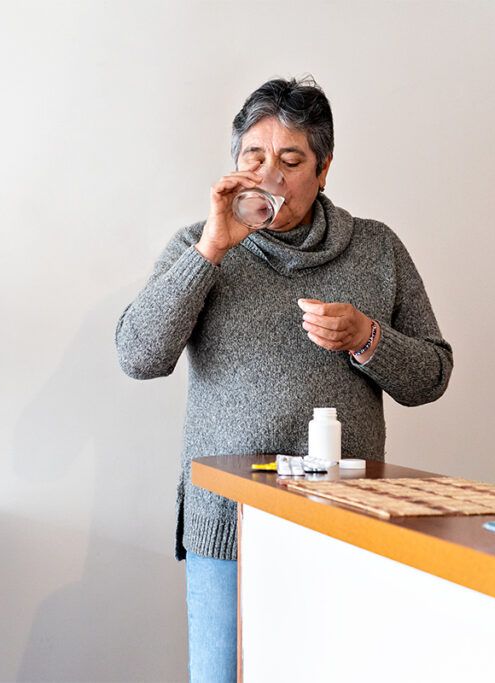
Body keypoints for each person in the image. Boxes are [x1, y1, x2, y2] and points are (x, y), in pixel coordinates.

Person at [115, 76, 454, 682]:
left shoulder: (377, 249)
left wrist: (368, 339)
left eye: (290, 159)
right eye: (254, 156)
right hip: (228, 525)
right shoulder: (198, 245)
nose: (269, 174)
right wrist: (212, 249)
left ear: (323, 169)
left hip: (347, 521)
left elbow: (432, 374)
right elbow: (139, 356)